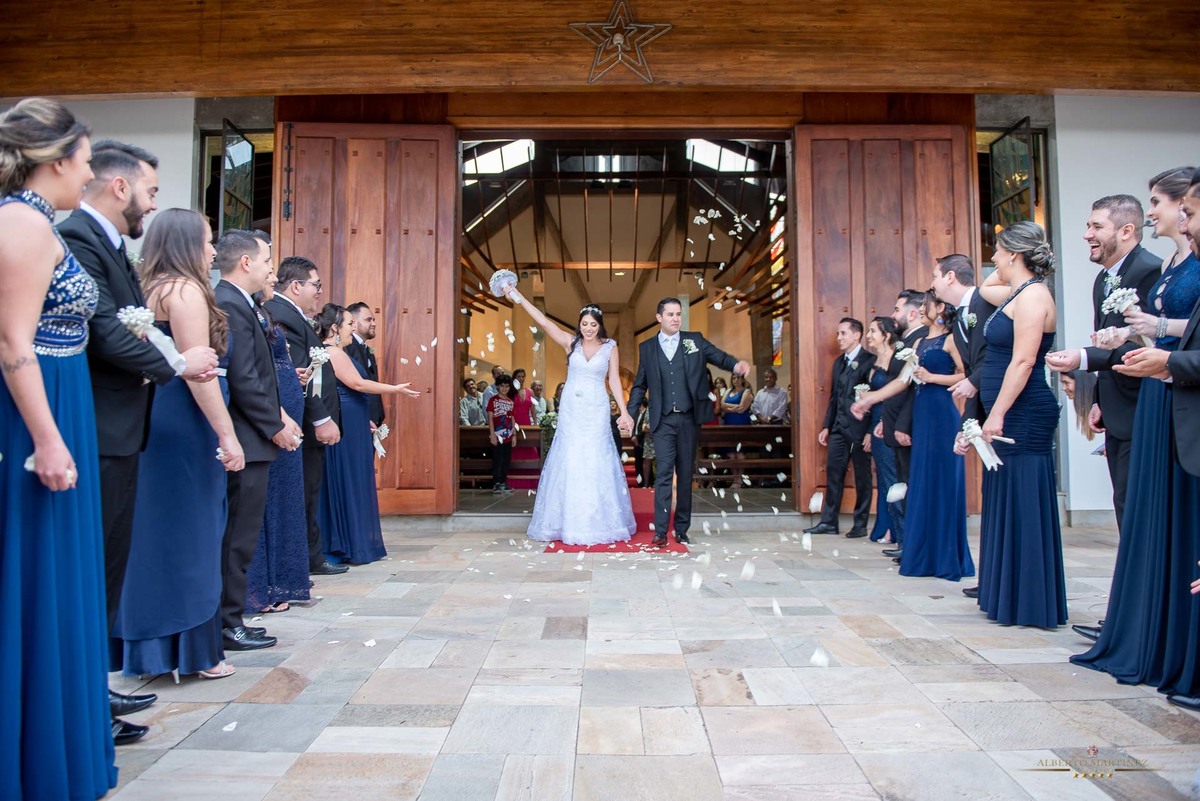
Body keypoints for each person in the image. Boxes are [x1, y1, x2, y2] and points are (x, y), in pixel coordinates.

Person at [59, 139, 218, 733]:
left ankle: (94, 688)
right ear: (120, 186)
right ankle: (87, 694)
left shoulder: (111, 246)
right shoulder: (76, 238)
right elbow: (105, 330)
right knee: (96, 562)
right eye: (151, 190)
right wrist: (176, 364)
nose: (152, 205)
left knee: (109, 561)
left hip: (125, 423)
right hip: (98, 423)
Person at [0, 97, 117, 799]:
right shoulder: (19, 223)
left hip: (63, 397)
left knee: (65, 572)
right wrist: (47, 438)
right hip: (39, 409)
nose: (91, 171)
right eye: (86, 158)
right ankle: (32, 757)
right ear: (56, 159)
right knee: (37, 571)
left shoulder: (40, 223)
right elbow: (14, 342)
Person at [1073, 167, 1200, 694]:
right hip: (1147, 394)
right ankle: (1140, 617)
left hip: (1169, 389)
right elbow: (1172, 327)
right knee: (1138, 513)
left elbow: (1182, 330)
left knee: (1154, 515)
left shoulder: (1156, 265)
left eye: (1167, 205)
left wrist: (1144, 338)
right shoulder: (1168, 262)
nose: (1160, 215)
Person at [111, 209, 243, 682]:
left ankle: (147, 646)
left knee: (154, 533)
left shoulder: (149, 288)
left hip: (156, 416)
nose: (213, 250)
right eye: (208, 241)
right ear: (188, 243)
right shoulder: (185, 291)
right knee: (192, 532)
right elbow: (199, 376)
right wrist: (227, 435)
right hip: (186, 420)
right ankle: (196, 651)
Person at [962, 221, 1066, 629]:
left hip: (1022, 410)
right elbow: (989, 285)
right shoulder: (1017, 291)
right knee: (1006, 496)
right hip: (1010, 407)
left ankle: (1030, 601)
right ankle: (1009, 594)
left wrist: (997, 413)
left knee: (1023, 497)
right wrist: (1010, 264)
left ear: (1015, 255)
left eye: (999, 251)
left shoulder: (1034, 295)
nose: (993, 259)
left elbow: (1023, 361)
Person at [1046, 195, 1162, 538]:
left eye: (1096, 226)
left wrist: (1080, 358)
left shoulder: (1149, 270)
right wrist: (1098, 398)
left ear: (1126, 231)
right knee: (1123, 500)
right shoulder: (1104, 279)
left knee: (1138, 504)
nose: (1087, 234)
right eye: (1087, 226)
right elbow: (1106, 341)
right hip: (1116, 406)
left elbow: (1139, 344)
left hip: (1142, 405)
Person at [214, 230, 302, 651]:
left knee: (242, 534)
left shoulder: (243, 304)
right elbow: (243, 377)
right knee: (237, 534)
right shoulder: (229, 303)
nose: (272, 267)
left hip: (253, 434)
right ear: (246, 262)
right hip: (246, 436)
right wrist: (274, 423)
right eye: (267, 259)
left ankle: (232, 617)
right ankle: (227, 622)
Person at [501, 286, 637, 545]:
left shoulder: (610, 347)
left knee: (596, 457)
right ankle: (566, 520)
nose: (588, 328)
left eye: (593, 324)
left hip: (596, 408)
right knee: (571, 457)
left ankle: (599, 521)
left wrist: (625, 412)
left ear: (600, 326)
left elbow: (614, 381)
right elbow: (542, 321)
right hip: (572, 411)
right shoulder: (569, 342)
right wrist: (516, 296)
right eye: (584, 324)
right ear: (580, 325)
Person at [628, 297, 749, 546]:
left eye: (678, 314)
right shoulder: (648, 348)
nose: (675, 319)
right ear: (659, 317)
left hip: (688, 419)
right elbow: (640, 385)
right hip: (662, 420)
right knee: (663, 474)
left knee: (684, 474)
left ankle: (681, 528)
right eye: (670, 314)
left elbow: (717, 356)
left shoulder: (694, 341)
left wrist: (735, 365)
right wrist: (630, 414)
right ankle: (661, 531)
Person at [316, 304, 420, 564]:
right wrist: (395, 389)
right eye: (349, 324)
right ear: (335, 328)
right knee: (348, 479)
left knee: (354, 478)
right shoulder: (334, 353)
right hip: (347, 424)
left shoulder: (339, 352)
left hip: (355, 421)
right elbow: (357, 384)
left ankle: (350, 540)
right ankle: (346, 543)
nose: (353, 328)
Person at [263, 256, 347, 577]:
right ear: (296, 285)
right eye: (316, 285)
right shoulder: (283, 317)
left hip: (303, 420)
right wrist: (320, 418)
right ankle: (302, 559)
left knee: (309, 491)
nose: (319, 293)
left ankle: (310, 557)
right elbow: (300, 376)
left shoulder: (294, 316)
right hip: (297, 420)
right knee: (302, 493)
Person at [245, 262, 312, 616]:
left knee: (282, 495)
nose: (273, 276)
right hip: (273, 411)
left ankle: (279, 578)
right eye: (268, 267)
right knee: (267, 497)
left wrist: (290, 373)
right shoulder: (249, 310)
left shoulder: (262, 311)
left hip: (284, 404)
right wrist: (278, 413)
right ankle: (260, 585)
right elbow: (251, 367)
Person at [930, 253, 996, 595]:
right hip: (983, 407)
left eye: (936, 276)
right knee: (993, 498)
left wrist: (975, 382)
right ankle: (994, 580)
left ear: (952, 277)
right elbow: (972, 375)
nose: (933, 283)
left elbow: (1001, 355)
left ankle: (997, 581)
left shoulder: (986, 303)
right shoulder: (958, 318)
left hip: (1005, 406)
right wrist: (967, 424)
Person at [898, 293, 972, 581]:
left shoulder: (952, 339)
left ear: (939, 308)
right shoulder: (918, 342)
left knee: (943, 481)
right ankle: (921, 556)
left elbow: (966, 375)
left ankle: (945, 557)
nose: (922, 308)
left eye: (927, 304)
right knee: (922, 480)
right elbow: (910, 379)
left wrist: (932, 378)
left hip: (943, 412)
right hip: (923, 412)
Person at [851, 289, 927, 559]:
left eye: (897, 310)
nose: (894, 315)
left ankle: (906, 539)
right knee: (891, 481)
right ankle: (901, 537)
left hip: (897, 421)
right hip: (885, 421)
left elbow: (905, 388)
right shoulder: (884, 358)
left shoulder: (912, 346)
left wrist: (877, 409)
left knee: (898, 481)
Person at [804, 318, 875, 539]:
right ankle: (829, 521)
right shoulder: (838, 363)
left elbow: (875, 399)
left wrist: (870, 431)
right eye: (838, 333)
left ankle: (860, 523)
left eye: (843, 333)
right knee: (834, 474)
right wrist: (827, 425)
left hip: (860, 429)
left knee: (863, 477)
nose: (839, 338)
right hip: (838, 428)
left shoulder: (870, 361)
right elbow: (834, 397)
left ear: (857, 335)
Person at [864, 317, 902, 544]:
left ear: (886, 336)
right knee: (882, 474)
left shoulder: (894, 360)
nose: (869, 336)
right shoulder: (875, 361)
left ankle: (895, 530)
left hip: (888, 421)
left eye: (872, 332)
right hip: (874, 422)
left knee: (890, 476)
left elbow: (896, 394)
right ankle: (884, 525)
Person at [345, 301, 385, 427]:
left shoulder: (366, 349)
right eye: (368, 320)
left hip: (370, 419)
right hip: (358, 418)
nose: (374, 324)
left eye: (373, 319)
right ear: (354, 323)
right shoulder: (348, 348)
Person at [508, 367, 540, 490]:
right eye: (518, 376)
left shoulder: (529, 392)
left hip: (526, 423)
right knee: (516, 452)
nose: (521, 379)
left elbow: (532, 409)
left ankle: (532, 482)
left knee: (530, 450)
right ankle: (516, 483)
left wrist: (535, 424)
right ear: (514, 378)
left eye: (522, 376)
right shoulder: (511, 392)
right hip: (515, 423)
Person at [487, 373, 516, 493]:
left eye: (507, 386)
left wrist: (514, 435)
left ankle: (503, 481)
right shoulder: (493, 400)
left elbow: (512, 418)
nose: (504, 389)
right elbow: (490, 418)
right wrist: (492, 434)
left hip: (508, 435)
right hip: (497, 435)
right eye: (502, 386)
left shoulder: (510, 401)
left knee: (506, 459)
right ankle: (497, 483)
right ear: (497, 386)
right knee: (498, 459)